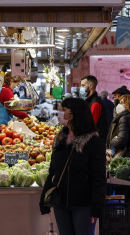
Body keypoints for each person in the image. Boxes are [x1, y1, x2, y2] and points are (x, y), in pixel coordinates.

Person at [39, 98, 107, 235]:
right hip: (61, 203)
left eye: (64, 110)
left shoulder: (94, 143)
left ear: (75, 114)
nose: (60, 113)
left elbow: (99, 177)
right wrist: (44, 198)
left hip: (83, 205)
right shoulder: (60, 139)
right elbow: (53, 170)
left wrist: (96, 208)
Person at [80, 75, 109, 142]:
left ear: (91, 86)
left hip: (96, 142)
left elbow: (91, 125)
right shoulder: (89, 101)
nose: (81, 88)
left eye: (83, 85)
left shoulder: (95, 103)